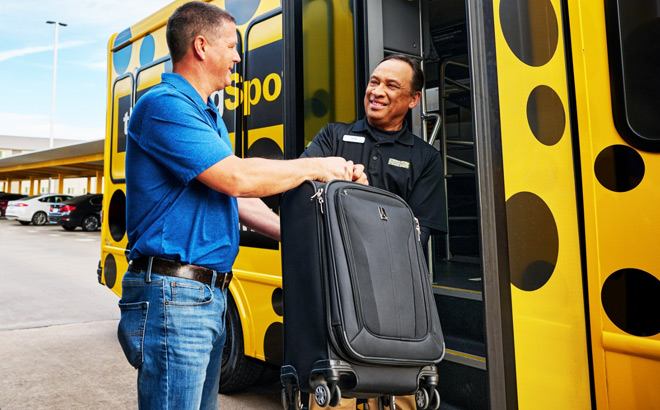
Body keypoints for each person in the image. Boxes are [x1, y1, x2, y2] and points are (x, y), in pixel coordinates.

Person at [116, 3, 362, 409]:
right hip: (175, 296)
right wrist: (319, 167)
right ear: (200, 46)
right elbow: (237, 178)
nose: (236, 57)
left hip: (204, 296)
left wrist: (295, 233)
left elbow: (233, 196)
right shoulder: (165, 106)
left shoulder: (206, 113)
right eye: (231, 46)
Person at [302, 54, 447, 410]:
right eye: (374, 82)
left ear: (413, 100)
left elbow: (418, 235)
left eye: (391, 85)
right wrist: (331, 177)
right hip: (335, 296)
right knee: (335, 398)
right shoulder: (334, 136)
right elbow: (300, 191)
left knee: (403, 397)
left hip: (395, 302)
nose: (377, 91)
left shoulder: (425, 158)